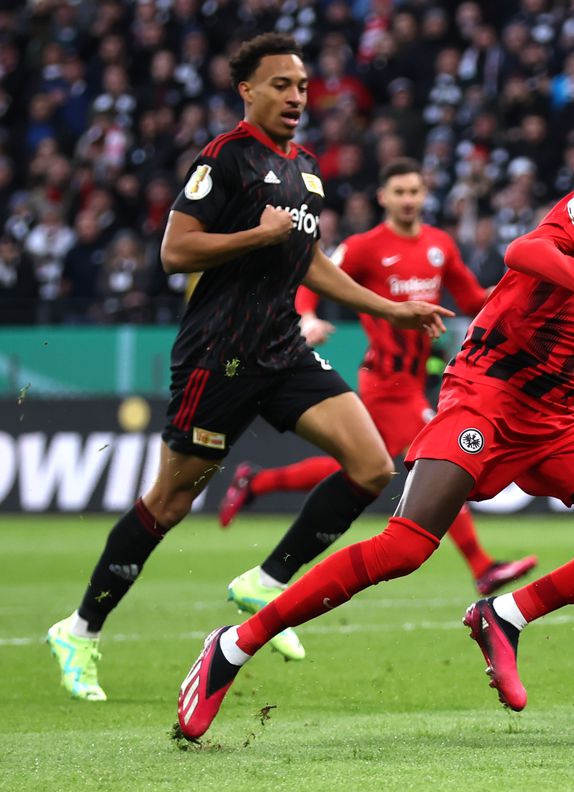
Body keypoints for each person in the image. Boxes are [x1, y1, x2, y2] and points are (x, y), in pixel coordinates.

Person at [176, 150, 574, 739]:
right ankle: (232, 648)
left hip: (559, 415)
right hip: (490, 389)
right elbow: (526, 251)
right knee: (405, 548)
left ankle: (505, 615)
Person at [46, 33, 451, 702]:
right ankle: (81, 629)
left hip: (283, 348)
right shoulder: (224, 160)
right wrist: (255, 236)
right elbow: (175, 251)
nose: (296, 97)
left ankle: (266, 581)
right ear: (248, 90)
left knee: (373, 465)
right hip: (218, 356)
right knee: (170, 503)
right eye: (281, 86)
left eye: (301, 86)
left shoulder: (308, 169)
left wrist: (390, 309)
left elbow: (309, 260)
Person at [218, 158, 538, 596]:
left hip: (414, 381)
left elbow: (470, 298)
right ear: (383, 197)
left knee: (359, 467)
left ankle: (255, 481)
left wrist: (525, 285)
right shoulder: (366, 246)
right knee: (442, 460)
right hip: (386, 382)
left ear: (425, 195)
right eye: (400, 192)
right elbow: (313, 277)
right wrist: (307, 316)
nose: (408, 200)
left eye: (415, 192)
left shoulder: (440, 245)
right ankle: (482, 566)